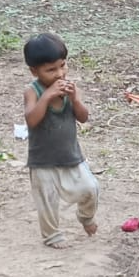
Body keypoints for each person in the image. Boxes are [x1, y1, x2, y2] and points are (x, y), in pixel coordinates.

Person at [23, 32, 99, 248]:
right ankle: (52, 235)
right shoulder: (32, 91)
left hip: (71, 156)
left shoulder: (70, 89)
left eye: (62, 66)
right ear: (34, 71)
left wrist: (75, 99)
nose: (59, 74)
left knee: (90, 188)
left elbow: (83, 117)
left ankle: (86, 217)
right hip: (42, 160)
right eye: (51, 70)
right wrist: (46, 97)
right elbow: (32, 120)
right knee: (47, 200)